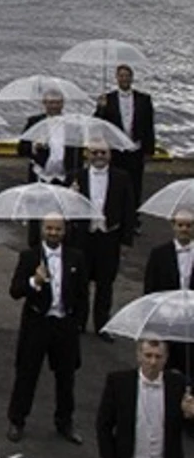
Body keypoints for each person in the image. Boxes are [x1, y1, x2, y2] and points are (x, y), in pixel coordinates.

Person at [7, 216, 87, 445]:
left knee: (66, 377)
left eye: (58, 229)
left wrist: (77, 323)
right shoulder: (29, 256)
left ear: (64, 231)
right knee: (27, 374)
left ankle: (65, 422)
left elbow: (82, 294)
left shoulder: (76, 257)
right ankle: (17, 420)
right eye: (49, 228)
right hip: (37, 324)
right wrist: (35, 281)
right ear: (42, 230)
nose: (53, 233)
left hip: (64, 325)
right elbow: (15, 291)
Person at [70, 142, 135, 337]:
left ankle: (102, 325)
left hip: (109, 237)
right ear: (87, 155)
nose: (99, 156)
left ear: (110, 155)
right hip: (84, 236)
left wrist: (126, 241)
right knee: (81, 282)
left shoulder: (121, 177)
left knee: (105, 284)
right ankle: (79, 322)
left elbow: (128, 210)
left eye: (103, 152)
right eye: (94, 152)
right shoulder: (76, 176)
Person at [95, 63, 155, 200]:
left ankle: (134, 215)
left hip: (136, 148)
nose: (124, 79)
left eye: (127, 76)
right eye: (121, 76)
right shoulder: (107, 99)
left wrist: (149, 150)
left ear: (132, 78)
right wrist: (101, 108)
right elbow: (98, 122)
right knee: (116, 183)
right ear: (117, 78)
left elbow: (149, 125)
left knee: (136, 183)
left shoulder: (144, 99)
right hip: (116, 149)